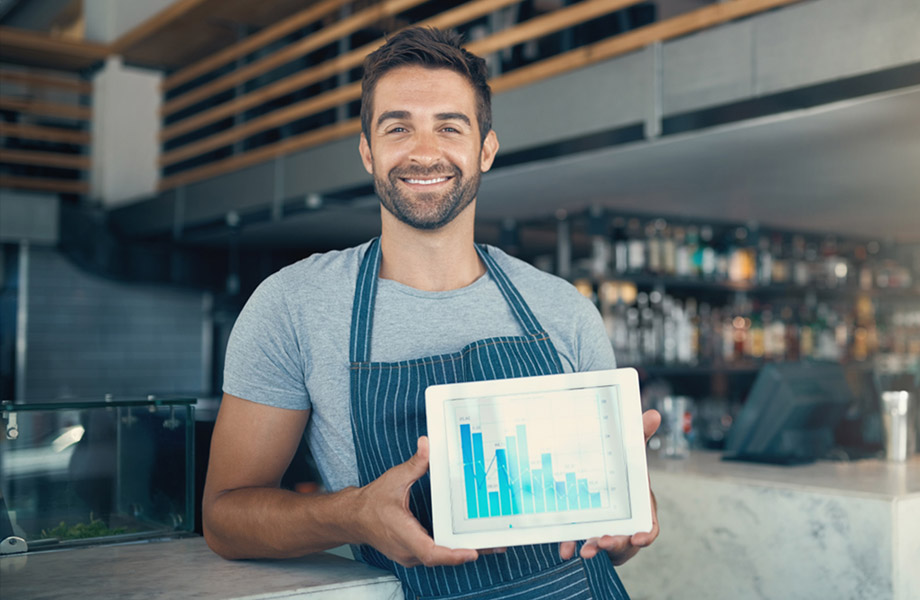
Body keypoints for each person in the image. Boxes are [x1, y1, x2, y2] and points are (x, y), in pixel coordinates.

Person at [203, 26, 660, 599]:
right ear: (368, 151)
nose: (424, 151)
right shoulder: (291, 306)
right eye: (398, 128)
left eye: (449, 126)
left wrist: (626, 516)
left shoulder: (562, 309)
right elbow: (225, 518)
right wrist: (351, 514)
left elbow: (606, 537)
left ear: (485, 150)